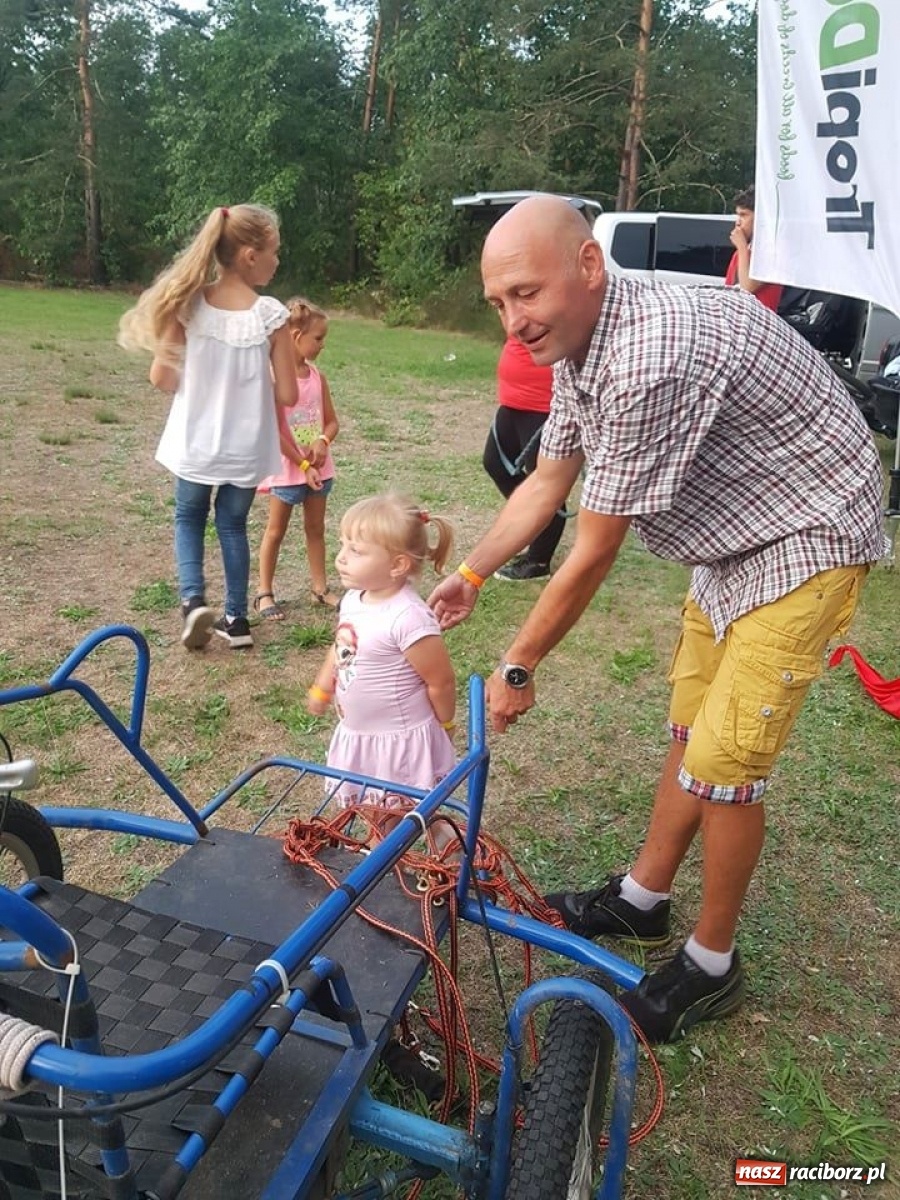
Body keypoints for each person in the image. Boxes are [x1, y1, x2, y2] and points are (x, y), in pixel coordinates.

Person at [428, 195, 885, 1044]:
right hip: (735, 535)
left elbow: (594, 550)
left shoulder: (651, 354)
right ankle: (642, 900)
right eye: (499, 303)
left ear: (588, 265)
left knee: (725, 759)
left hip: (809, 531)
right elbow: (546, 482)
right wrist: (471, 574)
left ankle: (713, 964)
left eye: (525, 293)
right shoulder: (580, 343)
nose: (512, 321)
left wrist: (519, 665)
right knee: (688, 726)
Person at [119, 203, 295, 651]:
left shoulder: (190, 305)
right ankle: (237, 620)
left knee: (189, 517)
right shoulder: (271, 315)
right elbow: (289, 394)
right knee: (232, 526)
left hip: (196, 442)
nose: (278, 261)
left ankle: (193, 601)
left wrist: (200, 380)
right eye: (275, 251)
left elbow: (161, 377)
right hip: (246, 447)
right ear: (250, 255)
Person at [307, 493, 457, 810]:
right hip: (360, 735)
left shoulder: (408, 617)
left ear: (397, 564)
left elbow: (440, 681)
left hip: (397, 742)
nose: (341, 558)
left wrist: (445, 726)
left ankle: (421, 850)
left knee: (395, 813)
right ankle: (388, 850)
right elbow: (341, 648)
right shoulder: (353, 599)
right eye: (343, 545)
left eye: (356, 550)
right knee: (372, 810)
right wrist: (323, 687)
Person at [256, 297, 340, 619]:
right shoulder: (275, 379)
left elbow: (332, 422)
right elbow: (274, 433)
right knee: (275, 531)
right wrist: (303, 464)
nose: (322, 345)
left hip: (319, 470)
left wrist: (322, 441)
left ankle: (320, 588)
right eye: (318, 339)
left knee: (315, 528)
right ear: (295, 337)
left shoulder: (318, 378)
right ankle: (264, 592)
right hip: (288, 472)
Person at [482, 335, 565, 581]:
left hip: (544, 406)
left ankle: (538, 561)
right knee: (495, 464)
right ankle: (529, 523)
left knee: (545, 483)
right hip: (513, 401)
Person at [725, 184, 783, 311]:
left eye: (744, 215)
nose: (738, 222)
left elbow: (747, 288)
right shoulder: (740, 253)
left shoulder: (771, 251)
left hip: (758, 326)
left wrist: (741, 247)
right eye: (737, 215)